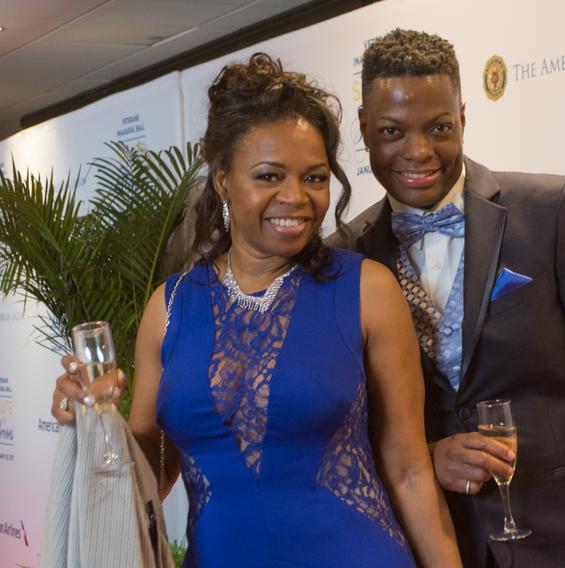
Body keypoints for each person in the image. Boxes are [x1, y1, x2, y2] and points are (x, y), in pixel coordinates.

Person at [51, 52, 461, 568]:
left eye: (314, 178)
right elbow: (149, 476)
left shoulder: (365, 290)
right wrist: (91, 419)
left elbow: (408, 470)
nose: (296, 197)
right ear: (223, 180)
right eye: (269, 176)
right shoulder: (171, 306)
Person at [338, 29, 565, 567]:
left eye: (439, 127)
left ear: (463, 115)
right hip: (439, 547)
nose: (418, 151)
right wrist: (428, 458)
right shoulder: (344, 257)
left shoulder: (554, 211)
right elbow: (340, 430)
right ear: (365, 127)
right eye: (392, 131)